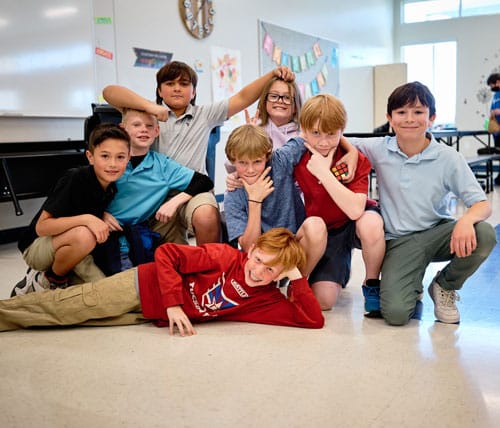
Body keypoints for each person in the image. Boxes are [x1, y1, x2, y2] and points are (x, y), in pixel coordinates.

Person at [349, 81, 497, 326]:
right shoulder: (379, 148)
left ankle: (444, 286)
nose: (410, 119)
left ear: (432, 118)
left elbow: (482, 204)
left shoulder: (448, 158)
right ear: (390, 118)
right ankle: (411, 281)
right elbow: (336, 139)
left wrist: (467, 219)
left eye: (418, 112)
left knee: (484, 232)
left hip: (436, 234)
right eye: (401, 112)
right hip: (399, 242)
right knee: (396, 315)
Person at [103, 61, 296, 245]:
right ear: (160, 91)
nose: (177, 88)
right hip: (156, 196)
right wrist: (150, 107)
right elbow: (109, 92)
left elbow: (243, 97)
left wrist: (272, 74)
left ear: (193, 91)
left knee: (206, 213)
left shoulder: (204, 115)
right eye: (170, 84)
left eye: (184, 84)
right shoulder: (149, 116)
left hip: (193, 192)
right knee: (166, 256)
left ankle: (210, 270)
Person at [0, 228, 325, 334]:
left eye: (271, 270)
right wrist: (173, 303)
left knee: (77, 319)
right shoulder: (226, 257)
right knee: (63, 309)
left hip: (148, 313)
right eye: (258, 260)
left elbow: (312, 320)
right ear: (251, 249)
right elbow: (168, 253)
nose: (258, 272)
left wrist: (294, 275)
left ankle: (82, 268)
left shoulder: (265, 298)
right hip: (145, 285)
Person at [11, 123, 131, 297]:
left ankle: (64, 278)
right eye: (105, 156)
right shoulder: (75, 178)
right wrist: (89, 219)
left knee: (106, 293)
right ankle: (48, 279)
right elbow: (42, 227)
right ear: (90, 157)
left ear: (129, 158)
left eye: (120, 157)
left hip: (73, 248)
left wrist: (100, 215)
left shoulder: (110, 187)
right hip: (37, 248)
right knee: (84, 235)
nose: (113, 164)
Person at [292, 94, 385, 311]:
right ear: (303, 130)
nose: (323, 142)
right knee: (323, 301)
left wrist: (325, 174)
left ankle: (372, 283)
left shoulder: (354, 159)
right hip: (327, 230)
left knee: (370, 224)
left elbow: (355, 210)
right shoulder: (297, 157)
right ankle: (338, 267)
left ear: (341, 131)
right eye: (315, 133)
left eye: (331, 134)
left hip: (355, 220)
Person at [95, 109, 214, 275]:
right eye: (136, 125)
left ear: (157, 131)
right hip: (97, 232)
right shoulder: (110, 160)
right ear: (123, 129)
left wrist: (174, 202)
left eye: (149, 126)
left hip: (132, 241)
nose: (144, 129)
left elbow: (204, 181)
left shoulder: (162, 166)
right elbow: (83, 194)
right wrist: (100, 214)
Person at [224, 124, 327, 277]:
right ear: (233, 161)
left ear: (267, 157)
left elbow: (310, 133)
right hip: (263, 257)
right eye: (243, 163)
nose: (250, 170)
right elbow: (249, 247)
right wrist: (255, 201)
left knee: (316, 225)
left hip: (296, 246)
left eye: (257, 162)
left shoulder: (280, 161)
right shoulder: (233, 194)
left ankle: (298, 283)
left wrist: (351, 151)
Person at [486, 73, 500, 183]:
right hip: (497, 131)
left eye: (492, 85)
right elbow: (492, 109)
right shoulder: (495, 95)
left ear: (498, 82)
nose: (491, 88)